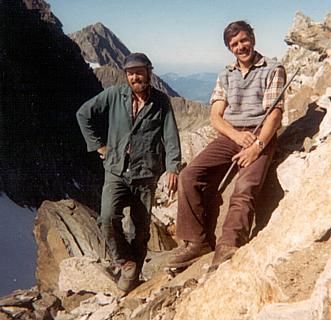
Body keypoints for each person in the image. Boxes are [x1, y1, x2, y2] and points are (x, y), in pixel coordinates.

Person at [167, 21, 286, 271]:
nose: (241, 46)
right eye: (234, 44)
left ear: (252, 38)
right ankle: (196, 242)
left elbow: (274, 115)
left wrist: (257, 146)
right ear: (229, 48)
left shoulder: (273, 69)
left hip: (259, 135)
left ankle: (228, 245)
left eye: (244, 40)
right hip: (232, 136)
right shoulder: (226, 74)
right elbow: (215, 116)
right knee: (189, 175)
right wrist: (236, 136)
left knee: (244, 186)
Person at [76, 52, 181, 292]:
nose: (135, 77)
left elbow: (171, 136)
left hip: (146, 173)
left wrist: (173, 167)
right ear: (126, 76)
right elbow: (83, 114)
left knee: (140, 230)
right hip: (116, 170)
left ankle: (133, 278)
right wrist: (98, 146)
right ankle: (125, 263)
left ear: (149, 73)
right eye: (131, 73)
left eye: (140, 72)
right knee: (107, 217)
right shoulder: (114, 95)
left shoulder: (161, 101)